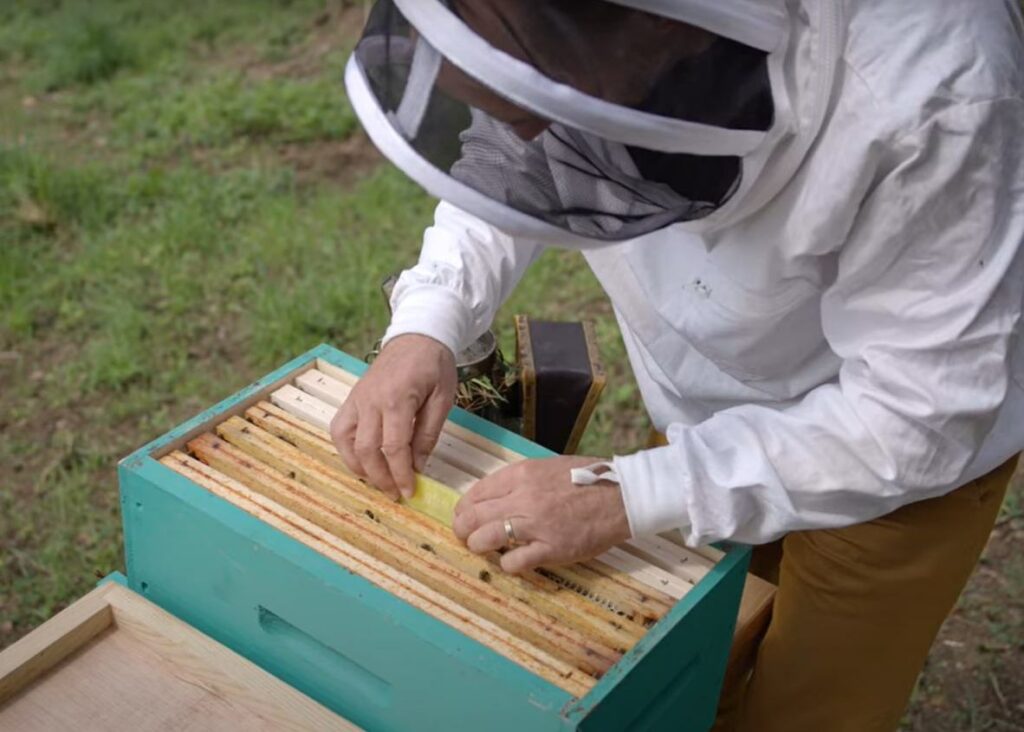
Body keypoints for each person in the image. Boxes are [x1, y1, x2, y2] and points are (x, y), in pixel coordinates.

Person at [331, 1, 1024, 729]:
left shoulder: (940, 93)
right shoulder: (558, 37)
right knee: (686, 666)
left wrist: (629, 492)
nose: (531, 137)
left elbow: (918, 415)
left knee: (816, 706)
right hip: (703, 415)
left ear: (669, 22)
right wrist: (428, 321)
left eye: (542, 105)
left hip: (904, 467)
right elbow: (511, 161)